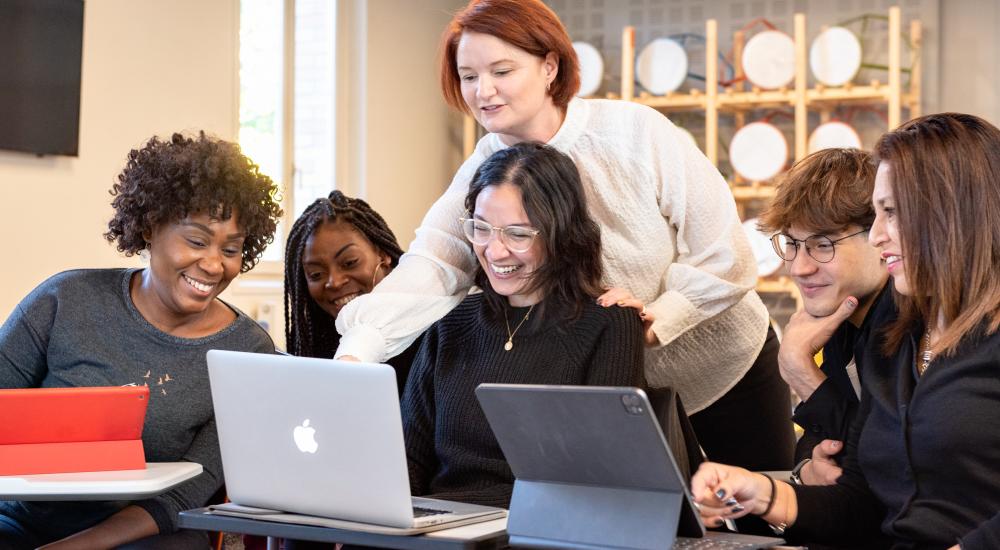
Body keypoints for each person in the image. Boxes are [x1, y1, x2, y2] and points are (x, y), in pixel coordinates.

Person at [337, 0, 794, 471]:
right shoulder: (486, 167)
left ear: (550, 66)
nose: (483, 91)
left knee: (762, 525)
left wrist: (661, 317)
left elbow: (727, 253)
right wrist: (358, 353)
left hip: (727, 365)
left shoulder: (634, 133)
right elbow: (434, 264)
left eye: (502, 71)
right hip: (622, 381)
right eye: (469, 76)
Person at [691, 113, 1000, 550]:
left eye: (891, 213)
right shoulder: (898, 340)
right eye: (876, 215)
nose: (878, 236)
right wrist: (761, 493)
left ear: (954, 211)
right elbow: (864, 501)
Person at [0, 132, 282, 549]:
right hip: (20, 521)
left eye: (231, 249)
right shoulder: (64, 300)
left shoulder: (248, 351)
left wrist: (75, 546)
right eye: (197, 240)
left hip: (144, 534)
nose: (212, 264)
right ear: (151, 226)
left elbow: (191, 489)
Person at [402, 142, 645, 507]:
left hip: (535, 526)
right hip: (440, 526)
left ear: (560, 233)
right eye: (481, 229)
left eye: (517, 234)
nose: (495, 251)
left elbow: (598, 478)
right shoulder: (449, 324)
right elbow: (409, 458)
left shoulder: (609, 324)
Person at [757, 148, 894, 486]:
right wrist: (807, 468)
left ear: (880, 237)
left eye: (822, 245)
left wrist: (802, 372)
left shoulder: (911, 326)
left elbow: (893, 463)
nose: (800, 267)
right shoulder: (842, 316)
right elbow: (817, 438)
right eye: (791, 243)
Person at [283, 191, 417, 392]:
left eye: (349, 263)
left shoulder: (432, 336)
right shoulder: (313, 346)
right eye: (316, 274)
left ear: (383, 254)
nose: (334, 282)